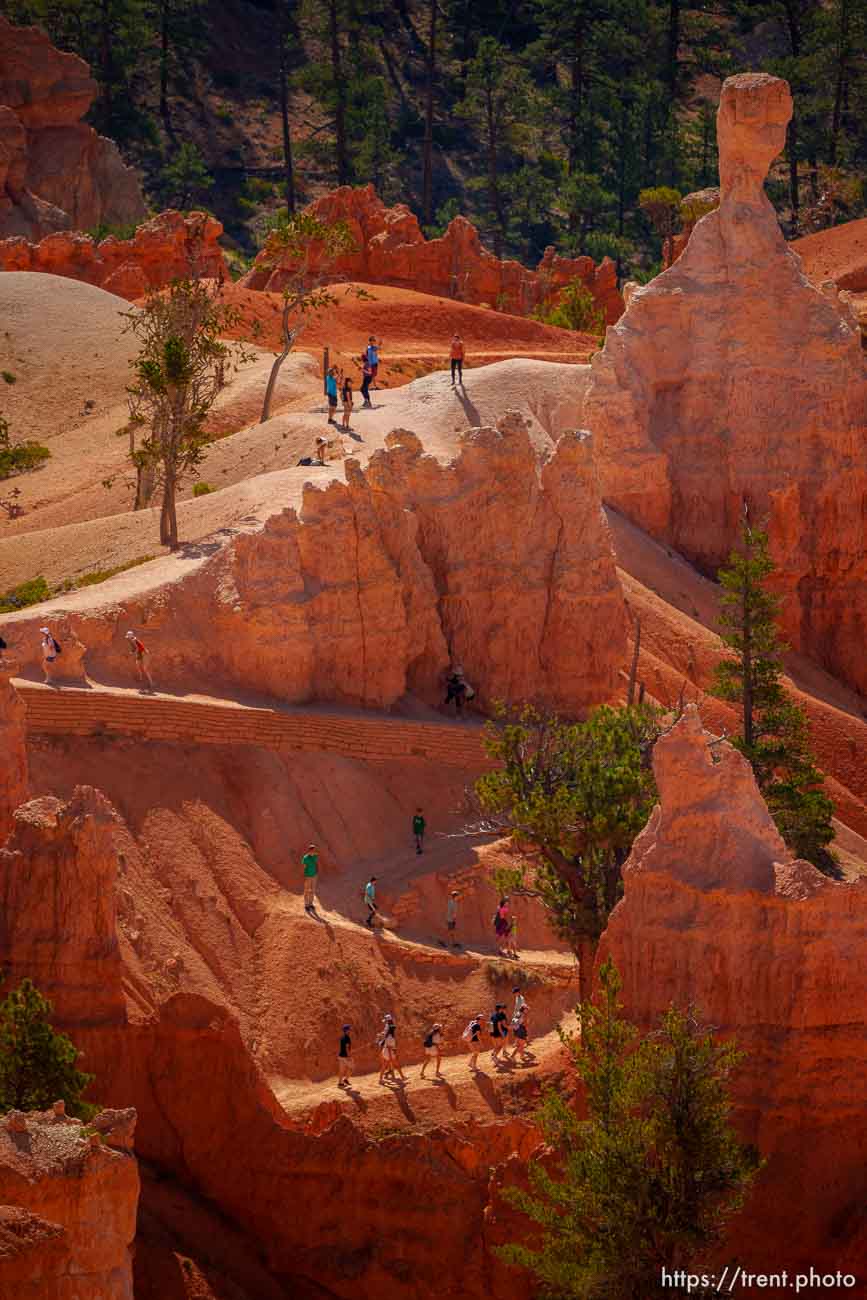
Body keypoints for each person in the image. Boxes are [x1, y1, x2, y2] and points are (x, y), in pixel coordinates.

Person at [378, 1013, 404, 1083]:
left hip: (387, 1051)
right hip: (388, 1052)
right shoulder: (390, 1037)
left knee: (390, 1065)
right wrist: (390, 1057)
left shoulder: (389, 1033)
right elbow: (389, 1047)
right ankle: (381, 1079)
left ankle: (402, 1076)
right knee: (393, 1064)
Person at [302, 844, 319, 912]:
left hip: (314, 876)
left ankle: (310, 904)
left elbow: (316, 864)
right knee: (306, 890)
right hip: (308, 876)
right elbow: (304, 866)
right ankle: (306, 905)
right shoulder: (305, 858)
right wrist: (305, 875)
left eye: (314, 850)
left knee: (313, 890)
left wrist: (316, 872)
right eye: (311, 850)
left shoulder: (315, 856)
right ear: (309, 851)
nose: (313, 851)